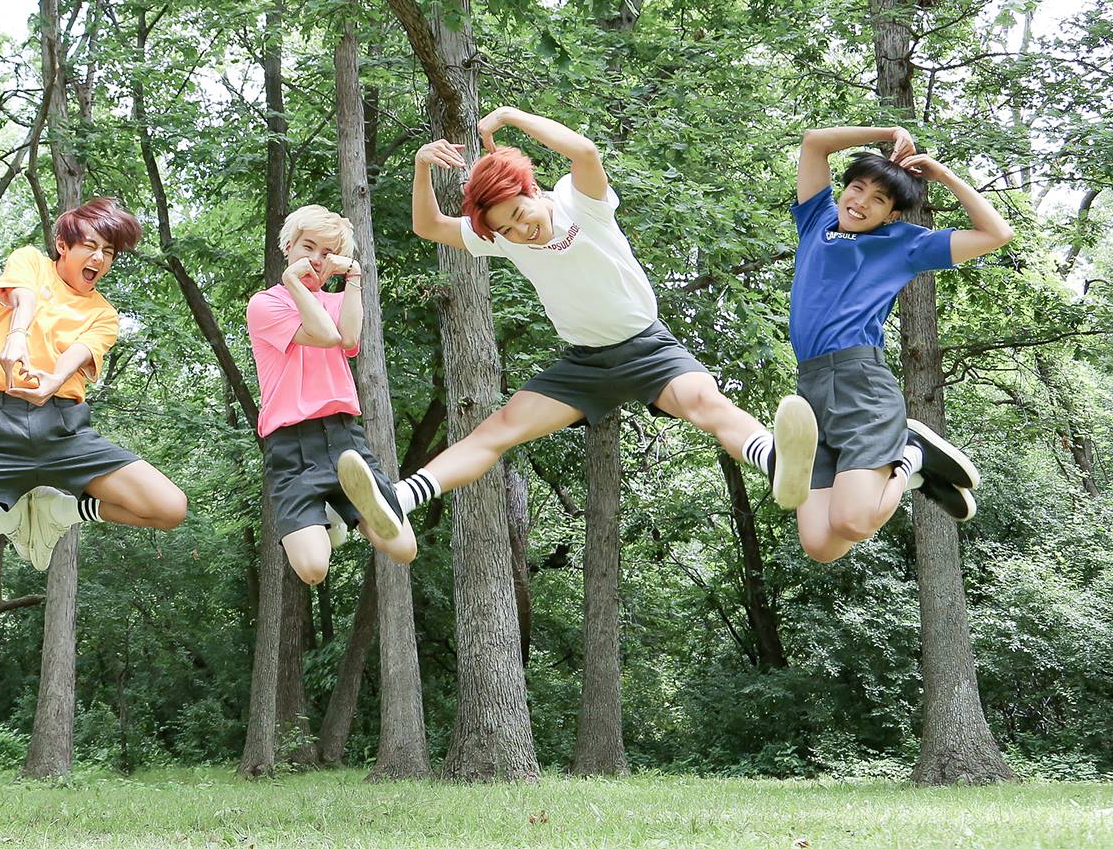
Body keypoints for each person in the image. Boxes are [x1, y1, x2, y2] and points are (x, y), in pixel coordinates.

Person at [353, 106, 817, 537]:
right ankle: (398, 499)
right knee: (497, 430)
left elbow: (584, 151)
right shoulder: (506, 239)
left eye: (519, 215)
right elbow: (429, 227)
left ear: (531, 190)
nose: (520, 232)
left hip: (648, 349)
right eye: (507, 229)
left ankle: (775, 458)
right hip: (583, 366)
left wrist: (513, 116)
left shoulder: (582, 204)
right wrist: (420, 166)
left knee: (704, 403)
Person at [0, 198, 187, 571]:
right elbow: (24, 296)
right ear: (63, 245)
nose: (99, 259)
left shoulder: (103, 312)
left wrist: (54, 379)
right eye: (90, 246)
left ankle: (64, 508)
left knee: (170, 509)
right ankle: (4, 518)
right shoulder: (31, 262)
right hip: (0, 433)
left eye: (108, 251)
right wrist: (17, 334)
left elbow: (83, 350)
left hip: (65, 433)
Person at [788, 125, 1013, 561]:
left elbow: (996, 234)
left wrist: (943, 175)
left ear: (891, 214)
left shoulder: (904, 245)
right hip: (811, 388)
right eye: (856, 189)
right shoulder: (814, 221)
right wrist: (889, 131)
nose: (860, 203)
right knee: (821, 546)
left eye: (878, 200)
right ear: (843, 190)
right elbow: (815, 142)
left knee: (853, 521)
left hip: (859, 382)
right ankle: (908, 462)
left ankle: (910, 456)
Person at [247, 205, 419, 585]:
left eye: (328, 254)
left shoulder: (338, 301)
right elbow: (324, 336)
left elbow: (349, 338)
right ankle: (332, 521)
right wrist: (294, 283)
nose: (316, 260)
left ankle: (349, 507)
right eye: (309, 247)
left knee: (405, 549)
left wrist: (354, 275)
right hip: (291, 445)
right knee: (312, 570)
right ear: (288, 245)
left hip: (345, 440)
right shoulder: (266, 303)